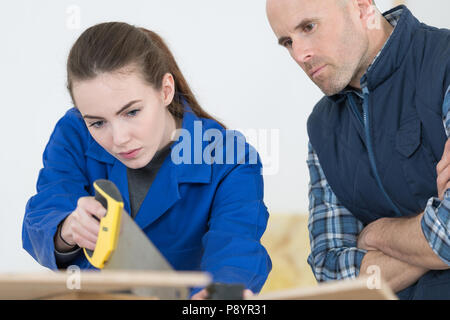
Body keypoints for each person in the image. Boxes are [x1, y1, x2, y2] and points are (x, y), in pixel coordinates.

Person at [22, 22, 271, 299]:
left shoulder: (230, 157)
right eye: (98, 123)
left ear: (165, 90)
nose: (119, 139)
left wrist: (218, 293)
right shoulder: (73, 132)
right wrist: (66, 230)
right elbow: (46, 210)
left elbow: (235, 247)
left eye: (132, 112)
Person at [266, 0, 450, 299]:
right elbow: (332, 275)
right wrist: (432, 240)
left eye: (309, 27)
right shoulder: (321, 127)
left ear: (362, 8)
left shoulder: (444, 62)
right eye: (288, 42)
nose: (300, 54)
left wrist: (376, 234)